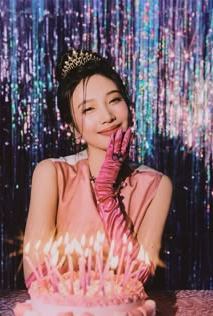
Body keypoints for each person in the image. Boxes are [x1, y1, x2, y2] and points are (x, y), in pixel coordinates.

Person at [23, 49, 173, 287]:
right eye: (88, 109)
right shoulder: (51, 173)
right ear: (73, 128)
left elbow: (138, 278)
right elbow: (34, 275)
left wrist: (106, 193)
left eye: (114, 100)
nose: (107, 116)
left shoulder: (156, 185)